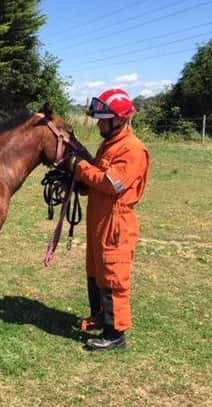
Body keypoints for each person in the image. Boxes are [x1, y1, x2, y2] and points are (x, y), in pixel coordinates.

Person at [58, 88, 151, 351]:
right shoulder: (110, 144)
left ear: (119, 119)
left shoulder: (132, 150)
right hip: (99, 220)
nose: (99, 124)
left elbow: (111, 183)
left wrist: (79, 167)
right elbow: (98, 179)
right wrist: (80, 183)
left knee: (113, 274)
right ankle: (100, 317)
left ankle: (115, 334)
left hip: (116, 224)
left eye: (103, 119)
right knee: (95, 270)